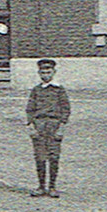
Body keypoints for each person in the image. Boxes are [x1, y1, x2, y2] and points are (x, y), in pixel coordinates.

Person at [26, 58, 70, 198]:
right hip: (39, 125)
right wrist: (31, 126)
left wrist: (61, 127)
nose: (46, 75)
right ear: (39, 73)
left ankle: (52, 187)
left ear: (54, 72)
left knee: (54, 157)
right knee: (40, 157)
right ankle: (41, 186)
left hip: (54, 125)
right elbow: (30, 109)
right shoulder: (36, 90)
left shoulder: (59, 90)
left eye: (49, 72)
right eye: (43, 72)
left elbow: (66, 109)